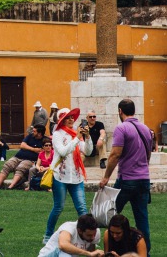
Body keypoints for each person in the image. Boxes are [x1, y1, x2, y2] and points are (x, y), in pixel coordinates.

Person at [100, 98, 153, 253]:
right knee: (142, 220)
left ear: (120, 111)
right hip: (144, 179)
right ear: (134, 111)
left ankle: (110, 249)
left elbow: (115, 154)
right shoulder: (145, 128)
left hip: (127, 179)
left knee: (112, 216)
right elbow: (148, 154)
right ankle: (145, 252)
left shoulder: (121, 128)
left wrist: (106, 177)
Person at [43, 107, 91, 244]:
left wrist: (87, 137)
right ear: (62, 120)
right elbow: (63, 152)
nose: (71, 120)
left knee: (82, 207)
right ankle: (47, 235)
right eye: (67, 118)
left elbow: (87, 151)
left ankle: (88, 236)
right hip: (60, 176)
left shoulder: (76, 133)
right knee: (58, 207)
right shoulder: (57, 134)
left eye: (72, 117)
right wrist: (77, 138)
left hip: (76, 176)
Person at [0, 124, 45, 189]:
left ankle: (11, 186)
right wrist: (33, 149)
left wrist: (27, 147)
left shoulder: (44, 141)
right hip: (18, 157)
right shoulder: (30, 136)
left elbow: (43, 152)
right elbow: (22, 145)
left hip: (30, 160)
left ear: (39, 133)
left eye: (34, 131)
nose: (32, 132)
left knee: (20, 168)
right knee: (7, 165)